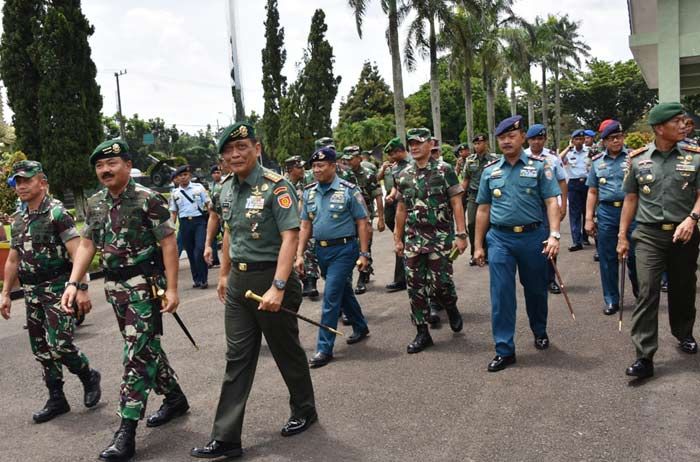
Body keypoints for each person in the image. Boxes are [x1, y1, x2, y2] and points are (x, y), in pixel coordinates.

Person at [191, 123, 316, 459]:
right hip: (239, 284)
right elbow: (231, 231)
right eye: (229, 150)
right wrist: (224, 274)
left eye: (242, 147)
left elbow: (290, 236)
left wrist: (278, 286)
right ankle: (227, 437)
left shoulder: (277, 187)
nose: (235, 154)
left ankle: (305, 409)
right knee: (237, 357)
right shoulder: (225, 189)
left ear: (256, 148)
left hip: (272, 279)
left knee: (285, 349)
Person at [62, 139, 188, 462]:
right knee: (145, 348)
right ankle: (174, 398)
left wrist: (172, 289)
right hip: (116, 290)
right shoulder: (95, 203)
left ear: (128, 166)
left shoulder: (149, 200)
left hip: (146, 287)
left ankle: (127, 430)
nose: (105, 170)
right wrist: (75, 282)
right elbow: (88, 245)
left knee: (135, 355)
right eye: (100, 166)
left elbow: (169, 245)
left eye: (112, 163)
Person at [1, 160, 101, 423]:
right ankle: (57, 398)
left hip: (58, 288)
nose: (21, 186)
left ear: (42, 182)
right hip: (32, 291)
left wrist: (81, 288)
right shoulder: (19, 218)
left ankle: (88, 375)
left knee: (60, 345)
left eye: (27, 180)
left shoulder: (57, 213)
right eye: (17, 182)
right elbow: (13, 259)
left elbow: (78, 251)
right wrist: (5, 293)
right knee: (41, 349)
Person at [617, 102, 700, 379]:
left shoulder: (694, 156)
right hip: (649, 235)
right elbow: (630, 199)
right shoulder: (638, 159)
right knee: (647, 289)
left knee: (683, 288)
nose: (682, 125)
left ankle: (683, 332)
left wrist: (692, 218)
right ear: (659, 128)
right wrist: (622, 237)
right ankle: (644, 355)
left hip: (685, 233)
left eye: (683, 121)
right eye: (676, 121)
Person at [474, 116, 561, 372]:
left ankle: (539, 330)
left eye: (511, 136)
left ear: (522, 137)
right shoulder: (490, 171)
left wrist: (554, 234)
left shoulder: (539, 167)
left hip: (533, 237)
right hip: (500, 239)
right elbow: (482, 209)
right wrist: (478, 245)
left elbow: (551, 202)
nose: (506, 141)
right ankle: (504, 349)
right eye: (501, 137)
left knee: (535, 289)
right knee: (501, 294)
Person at [295, 146, 371, 368]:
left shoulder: (349, 190)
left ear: (333, 165)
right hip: (322, 251)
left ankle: (324, 348)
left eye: (321, 165)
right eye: (314, 166)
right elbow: (305, 224)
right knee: (342, 291)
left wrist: (364, 253)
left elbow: (362, 222)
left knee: (330, 296)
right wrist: (299, 254)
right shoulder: (309, 192)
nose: (316, 170)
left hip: (345, 250)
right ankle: (360, 325)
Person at [394, 128, 467, 353]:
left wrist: (461, 235)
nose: (414, 147)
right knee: (415, 287)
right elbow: (401, 208)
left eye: (418, 143)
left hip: (440, 237)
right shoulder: (403, 175)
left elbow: (456, 203)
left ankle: (451, 306)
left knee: (440, 284)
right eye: (411, 143)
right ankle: (422, 332)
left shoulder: (444, 170)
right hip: (414, 239)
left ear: (429, 145)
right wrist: (398, 238)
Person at [585, 120, 639, 315]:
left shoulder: (635, 158)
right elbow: (592, 191)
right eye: (611, 138)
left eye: (619, 137)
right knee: (607, 258)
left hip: (633, 212)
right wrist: (589, 218)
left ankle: (639, 291)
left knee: (635, 256)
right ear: (604, 142)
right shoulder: (598, 161)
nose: (616, 141)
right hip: (607, 212)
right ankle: (611, 299)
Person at [525, 124, 568, 294]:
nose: (537, 142)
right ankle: (535, 278)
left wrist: (563, 205)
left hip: (549, 206)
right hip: (529, 206)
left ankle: (550, 279)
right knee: (531, 243)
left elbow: (562, 181)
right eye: (533, 139)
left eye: (540, 138)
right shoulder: (522, 156)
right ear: (528, 140)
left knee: (551, 241)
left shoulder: (553, 158)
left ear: (545, 139)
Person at [343, 145, 384, 294]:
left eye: (351, 158)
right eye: (346, 159)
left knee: (364, 245)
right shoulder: (341, 175)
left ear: (359, 158)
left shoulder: (368, 174)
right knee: (349, 247)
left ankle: (362, 277)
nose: (348, 161)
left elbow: (378, 195)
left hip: (365, 216)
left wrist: (381, 218)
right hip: (347, 217)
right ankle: (362, 270)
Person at [461, 134, 499, 266]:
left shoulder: (494, 159)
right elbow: (466, 180)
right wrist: (460, 197)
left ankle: (487, 253)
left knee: (489, 224)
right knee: (471, 223)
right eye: (475, 144)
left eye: (480, 143)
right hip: (474, 195)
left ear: (486, 143)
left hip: (490, 196)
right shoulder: (470, 160)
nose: (477, 146)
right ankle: (474, 253)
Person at [170, 165, 211, 288]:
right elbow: (173, 212)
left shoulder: (198, 188)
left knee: (199, 250)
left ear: (190, 176)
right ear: (177, 179)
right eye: (180, 176)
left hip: (199, 222)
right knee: (190, 253)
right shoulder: (175, 193)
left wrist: (212, 221)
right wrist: (171, 229)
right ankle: (197, 279)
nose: (183, 178)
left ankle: (204, 279)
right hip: (184, 224)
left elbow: (208, 204)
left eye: (185, 175)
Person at [285, 155, 320, 298]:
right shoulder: (282, 185)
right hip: (288, 227)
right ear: (290, 169)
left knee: (308, 251)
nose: (303, 170)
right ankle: (302, 282)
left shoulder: (304, 182)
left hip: (304, 224)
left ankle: (310, 282)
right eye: (299, 167)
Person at [378, 137, 410, 292]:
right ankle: (402, 278)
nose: (390, 157)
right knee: (400, 240)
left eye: (392, 153)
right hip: (398, 205)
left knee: (404, 241)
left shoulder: (411, 165)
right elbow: (396, 187)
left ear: (399, 151)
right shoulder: (395, 167)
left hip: (413, 208)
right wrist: (391, 195)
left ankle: (403, 279)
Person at [560, 129, 590, 251]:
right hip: (573, 184)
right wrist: (568, 148)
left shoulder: (589, 152)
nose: (579, 141)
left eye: (581, 139)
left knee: (587, 211)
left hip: (587, 183)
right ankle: (576, 241)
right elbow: (558, 160)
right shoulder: (568, 153)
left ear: (584, 140)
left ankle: (585, 236)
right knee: (575, 214)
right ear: (572, 140)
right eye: (576, 139)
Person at [208, 164, 222, 267]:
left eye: (218, 172)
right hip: (214, 215)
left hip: (223, 215)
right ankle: (214, 259)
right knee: (212, 238)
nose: (216, 174)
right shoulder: (210, 185)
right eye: (214, 173)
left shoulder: (225, 183)